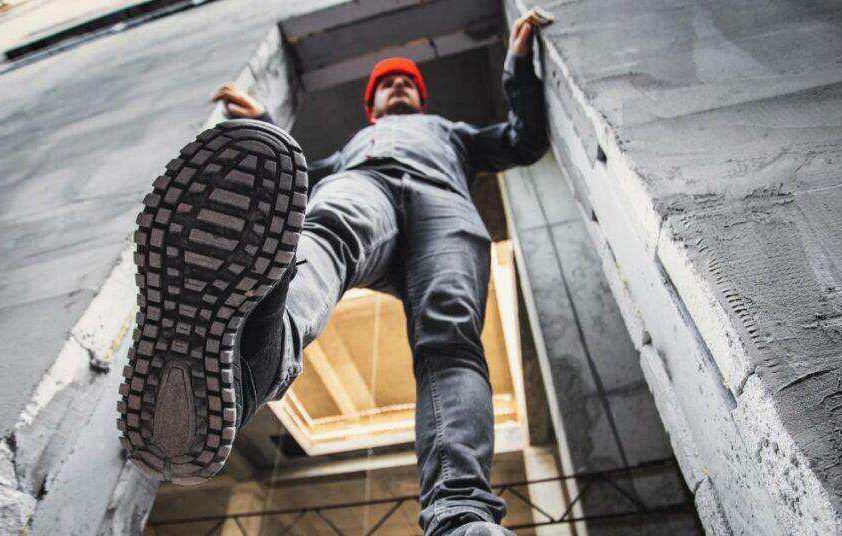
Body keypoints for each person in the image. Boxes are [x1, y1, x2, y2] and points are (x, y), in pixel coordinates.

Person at [118, 12, 548, 536]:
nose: (396, 87)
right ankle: (245, 366)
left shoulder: (453, 132)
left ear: (420, 99)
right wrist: (266, 123)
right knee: (324, 234)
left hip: (445, 209)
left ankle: (462, 518)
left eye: (405, 83)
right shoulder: (353, 147)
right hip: (363, 183)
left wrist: (518, 63)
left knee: (451, 339)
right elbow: (287, 175)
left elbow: (524, 141)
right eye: (386, 84)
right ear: (372, 106)